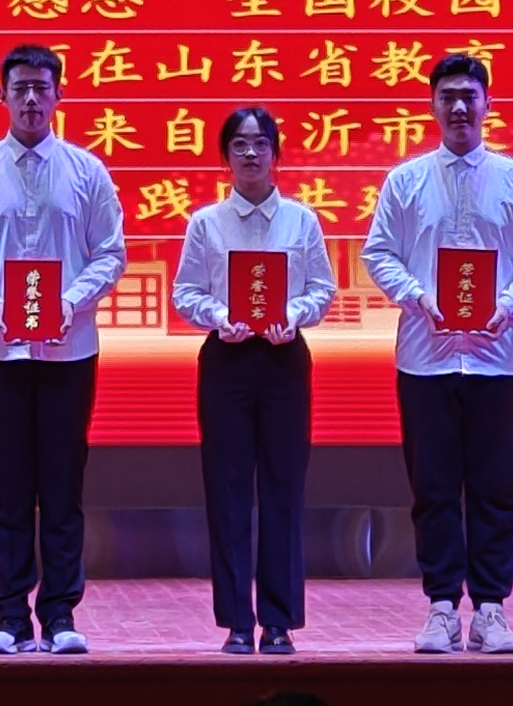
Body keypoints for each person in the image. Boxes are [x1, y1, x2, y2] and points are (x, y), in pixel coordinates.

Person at [359, 52, 513, 657]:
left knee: (495, 487)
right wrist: (417, 296)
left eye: (469, 96)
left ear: (488, 104)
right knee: (434, 486)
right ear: (431, 105)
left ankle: (491, 608)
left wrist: (510, 304)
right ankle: (442, 606)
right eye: (447, 96)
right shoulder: (405, 180)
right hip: (426, 357)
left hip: (498, 357)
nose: (458, 107)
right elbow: (378, 253)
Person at [0, 42, 126, 655]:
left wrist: (70, 301)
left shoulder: (88, 171)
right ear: (2, 95)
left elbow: (111, 254)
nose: (32, 98)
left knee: (64, 486)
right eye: (20, 88)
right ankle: (12, 616)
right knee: (11, 485)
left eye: (42, 87)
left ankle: (61, 614)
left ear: (59, 95)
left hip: (70, 349)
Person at [170, 106, 337, 655]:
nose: (249, 153)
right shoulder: (206, 223)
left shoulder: (302, 221)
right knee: (228, 489)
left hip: (285, 359)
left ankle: (280, 621)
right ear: (225, 156)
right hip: (228, 361)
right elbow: (185, 292)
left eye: (260, 143)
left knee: (284, 488)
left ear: (275, 153)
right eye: (239, 144)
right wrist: (222, 317)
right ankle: (238, 622)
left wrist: (294, 315)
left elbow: (322, 288)